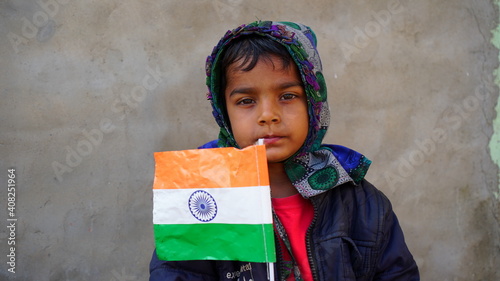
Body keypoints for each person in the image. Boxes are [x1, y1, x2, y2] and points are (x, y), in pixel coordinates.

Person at [150, 20, 419, 281]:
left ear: (314, 103)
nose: (268, 115)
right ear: (223, 111)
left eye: (287, 96)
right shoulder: (201, 199)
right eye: (246, 101)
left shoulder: (362, 203)